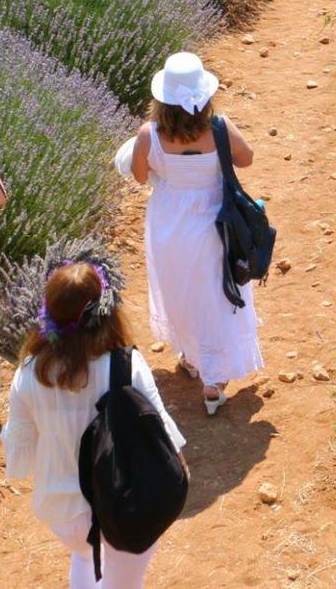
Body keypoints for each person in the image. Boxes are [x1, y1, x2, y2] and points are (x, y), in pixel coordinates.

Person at [3, 258, 186, 589]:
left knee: (86, 556)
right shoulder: (127, 365)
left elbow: (20, 451)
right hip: (122, 504)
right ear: (105, 312)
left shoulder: (28, 373)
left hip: (61, 511)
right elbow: (163, 434)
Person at [118, 52, 264, 417]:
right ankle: (213, 383)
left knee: (180, 291)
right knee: (218, 295)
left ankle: (192, 359)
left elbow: (138, 176)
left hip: (170, 227)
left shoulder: (149, 135)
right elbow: (246, 158)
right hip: (216, 224)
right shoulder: (219, 128)